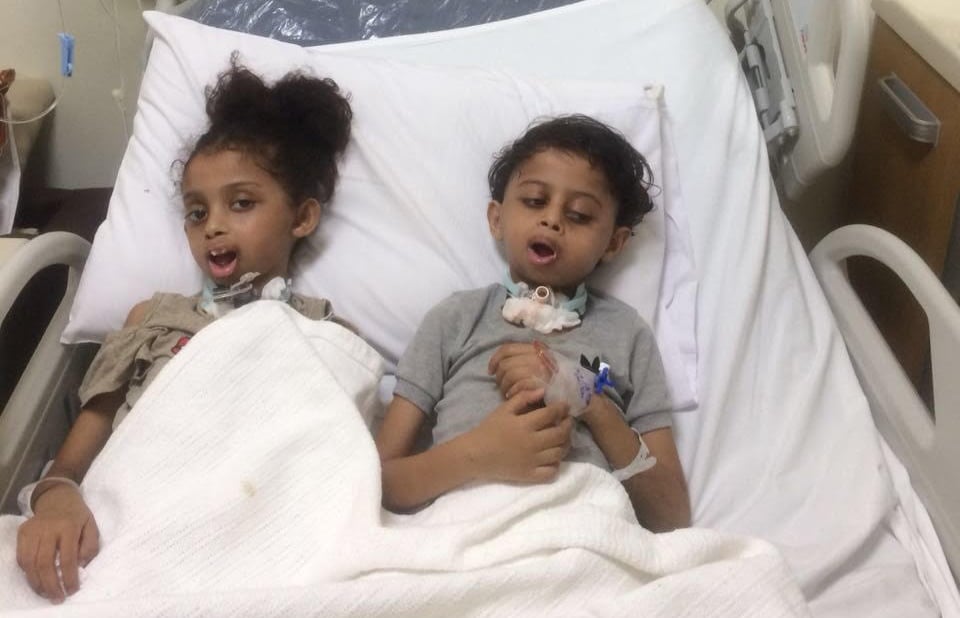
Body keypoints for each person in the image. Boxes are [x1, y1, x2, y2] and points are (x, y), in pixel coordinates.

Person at [15, 58, 353, 603]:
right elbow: (72, 463)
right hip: (127, 529)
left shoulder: (326, 332)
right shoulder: (152, 320)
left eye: (241, 203)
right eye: (197, 212)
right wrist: (56, 501)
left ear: (302, 218)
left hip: (262, 538)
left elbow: (339, 467)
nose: (213, 224)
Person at [376, 114, 691, 532]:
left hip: (585, 533)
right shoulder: (456, 319)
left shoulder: (626, 334)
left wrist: (585, 395)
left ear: (614, 243)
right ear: (497, 219)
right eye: (534, 201)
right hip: (466, 531)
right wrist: (478, 454)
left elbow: (672, 517)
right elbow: (378, 485)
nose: (552, 220)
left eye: (579, 214)